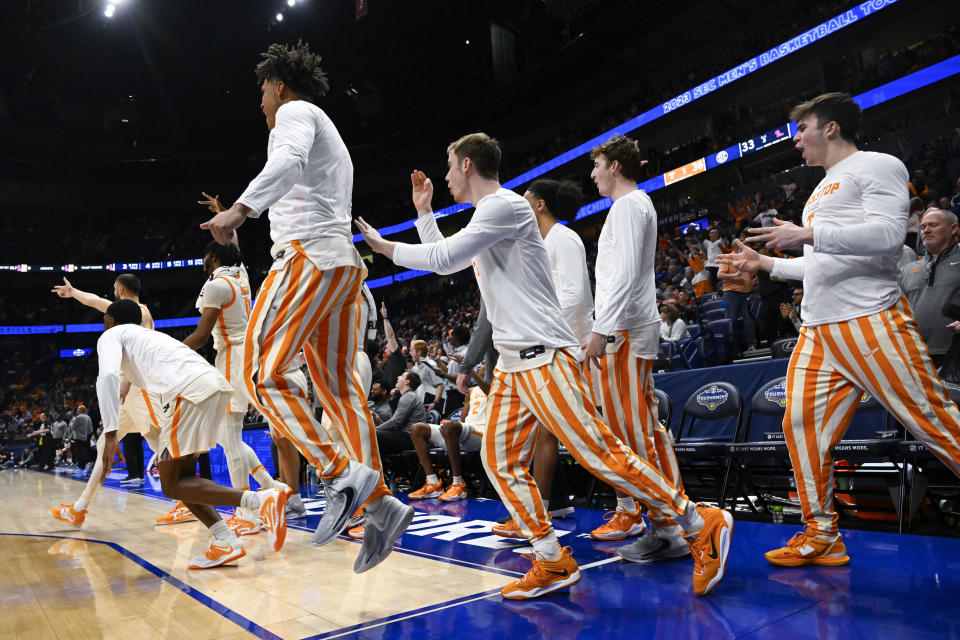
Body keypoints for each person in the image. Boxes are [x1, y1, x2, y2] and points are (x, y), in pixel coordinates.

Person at [356, 132, 732, 599]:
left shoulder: (504, 206)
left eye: (450, 166)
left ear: (468, 165)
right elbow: (446, 263)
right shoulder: (487, 216)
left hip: (544, 357)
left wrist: (384, 246)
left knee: (601, 451)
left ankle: (699, 522)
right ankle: (552, 558)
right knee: (499, 461)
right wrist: (424, 212)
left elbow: (444, 257)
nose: (446, 175)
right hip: (515, 366)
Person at [716, 92, 960, 567]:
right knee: (800, 427)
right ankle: (821, 531)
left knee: (933, 421)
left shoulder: (877, 164)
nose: (796, 141)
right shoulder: (819, 190)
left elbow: (890, 237)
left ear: (829, 127)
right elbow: (821, 264)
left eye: (801, 129)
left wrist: (806, 234)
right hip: (819, 330)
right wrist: (766, 262)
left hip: (871, 319)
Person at [199, 41, 412, 574]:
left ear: (277, 84)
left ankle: (341, 474)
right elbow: (302, 179)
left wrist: (240, 213)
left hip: (305, 258)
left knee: (257, 372)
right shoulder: (326, 126)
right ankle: (379, 503)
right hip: (343, 267)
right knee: (341, 391)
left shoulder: (293, 113)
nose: (261, 103)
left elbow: (288, 163)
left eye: (261, 92)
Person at [90, 300, 290, 567]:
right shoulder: (148, 337)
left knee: (171, 483)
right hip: (214, 386)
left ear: (111, 321)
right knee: (178, 479)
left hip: (190, 393)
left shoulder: (111, 335)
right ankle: (225, 541)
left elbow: (107, 378)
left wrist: (112, 433)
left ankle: (261, 500)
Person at [583, 135, 688, 558]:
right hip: (626, 327)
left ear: (615, 167)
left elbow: (624, 275)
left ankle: (670, 524)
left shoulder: (628, 206)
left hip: (624, 329)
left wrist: (601, 328)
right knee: (638, 427)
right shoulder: (632, 205)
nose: (593, 174)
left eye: (597, 165)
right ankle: (668, 520)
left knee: (636, 429)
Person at [182, 218, 280, 536]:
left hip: (231, 358)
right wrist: (225, 217)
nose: (202, 261)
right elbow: (233, 246)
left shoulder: (216, 284)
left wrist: (168, 352)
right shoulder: (241, 276)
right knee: (228, 438)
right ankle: (269, 487)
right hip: (247, 354)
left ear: (213, 258)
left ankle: (247, 513)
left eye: (205, 256)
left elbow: (200, 335)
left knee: (230, 439)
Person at [49, 274, 168, 526]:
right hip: (128, 391)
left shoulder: (139, 313)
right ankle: (79, 508)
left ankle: (190, 502)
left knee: (163, 446)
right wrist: (74, 292)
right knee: (105, 446)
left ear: (121, 289)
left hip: (139, 386)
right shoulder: (128, 311)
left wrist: (126, 382)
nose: (111, 294)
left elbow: (142, 356)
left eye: (114, 289)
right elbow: (94, 301)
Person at [407, 366, 490, 502]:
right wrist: (454, 425)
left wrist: (470, 370)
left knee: (450, 427)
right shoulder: (472, 391)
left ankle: (458, 484)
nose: (480, 365)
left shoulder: (499, 388)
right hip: (467, 432)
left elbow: (489, 389)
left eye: (483, 364)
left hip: (483, 434)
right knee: (417, 429)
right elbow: (464, 416)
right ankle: (433, 482)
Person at [899, 209, 960, 368]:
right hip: (915, 353)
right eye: (923, 227)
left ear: (953, 228)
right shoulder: (910, 268)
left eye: (933, 225)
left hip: (954, 353)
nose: (926, 230)